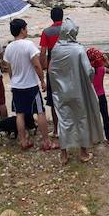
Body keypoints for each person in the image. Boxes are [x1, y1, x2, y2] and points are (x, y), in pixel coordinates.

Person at [49, 19, 105, 164]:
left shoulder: (55, 49)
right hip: (78, 91)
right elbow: (88, 72)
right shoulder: (79, 49)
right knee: (81, 119)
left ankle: (64, 155)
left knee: (64, 120)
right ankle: (83, 152)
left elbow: (51, 71)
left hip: (61, 91)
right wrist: (92, 73)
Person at [3, 19, 58, 151]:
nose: (27, 30)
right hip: (31, 85)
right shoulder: (29, 45)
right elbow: (37, 65)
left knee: (20, 114)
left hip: (16, 86)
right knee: (40, 112)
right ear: (22, 30)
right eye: (26, 28)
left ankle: (23, 141)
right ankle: (46, 142)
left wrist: (14, 80)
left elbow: (9, 69)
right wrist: (42, 80)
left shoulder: (9, 47)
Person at [39, 7, 63, 138]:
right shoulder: (67, 30)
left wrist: (43, 67)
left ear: (51, 17)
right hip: (67, 68)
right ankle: (69, 127)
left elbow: (43, 53)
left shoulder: (47, 32)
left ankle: (56, 130)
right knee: (68, 98)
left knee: (54, 101)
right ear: (62, 16)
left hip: (52, 70)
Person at [87, 47, 109, 144]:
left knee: (91, 117)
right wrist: (107, 60)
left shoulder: (87, 70)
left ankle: (94, 137)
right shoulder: (102, 69)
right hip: (101, 96)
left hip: (91, 96)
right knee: (105, 116)